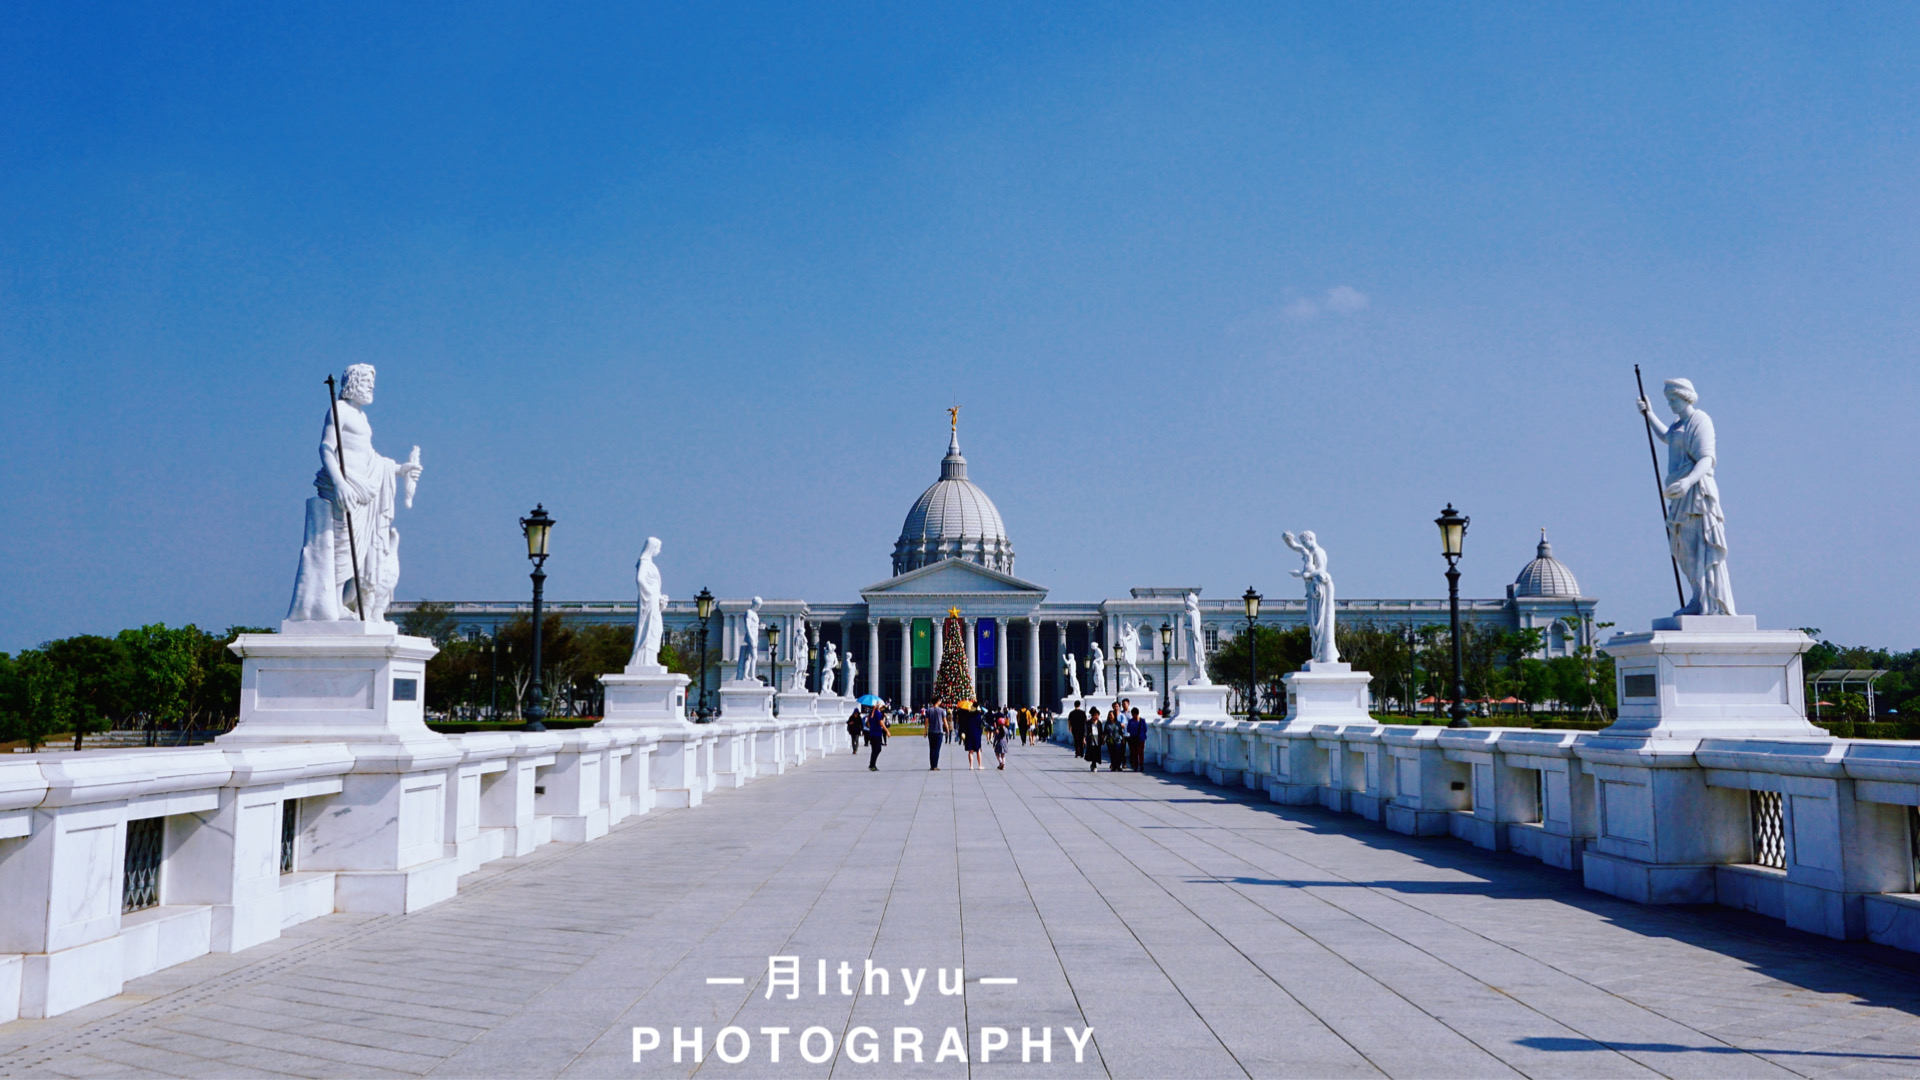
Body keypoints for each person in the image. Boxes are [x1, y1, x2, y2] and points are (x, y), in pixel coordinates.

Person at [960, 702, 985, 770]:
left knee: (970, 750)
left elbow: (964, 724)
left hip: (969, 733)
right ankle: (980, 765)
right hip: (977, 734)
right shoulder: (979, 715)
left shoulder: (968, 715)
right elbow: (981, 723)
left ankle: (971, 766)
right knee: (978, 750)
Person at [925, 701, 948, 771]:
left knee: (931, 749)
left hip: (931, 731)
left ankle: (932, 765)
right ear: (937, 701)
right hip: (939, 732)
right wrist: (947, 729)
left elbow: (926, 722)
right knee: (937, 749)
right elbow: (945, 721)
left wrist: (925, 730)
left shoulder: (929, 710)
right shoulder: (941, 710)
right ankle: (935, 765)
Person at [1127, 707, 1148, 771]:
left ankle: (1141, 765)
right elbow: (1128, 729)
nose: (1133, 716)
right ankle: (1135, 765)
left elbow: (1145, 729)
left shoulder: (1142, 721)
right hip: (1133, 739)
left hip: (1141, 739)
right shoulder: (1131, 721)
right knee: (1134, 753)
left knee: (1140, 753)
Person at [1085, 706, 1103, 771]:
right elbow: (1085, 731)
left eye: (1098, 715)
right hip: (1091, 738)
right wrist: (1084, 739)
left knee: (1097, 751)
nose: (1097, 717)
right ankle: (1094, 764)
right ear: (1092, 716)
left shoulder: (1099, 723)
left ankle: (1094, 764)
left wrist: (1102, 739)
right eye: (1095, 715)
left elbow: (1101, 731)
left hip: (1098, 738)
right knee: (1092, 751)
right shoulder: (1088, 723)